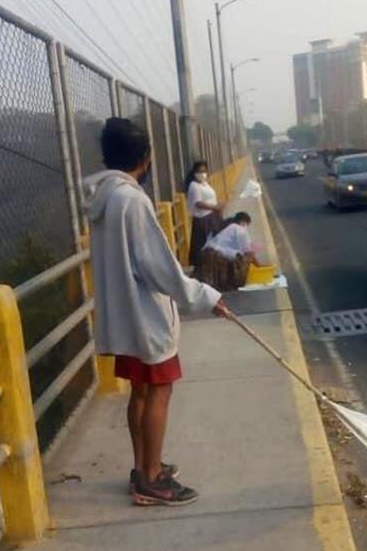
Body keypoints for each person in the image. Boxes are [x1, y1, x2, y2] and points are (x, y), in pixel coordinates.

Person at [82, 117, 229, 507]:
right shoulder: (133, 201)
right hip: (145, 317)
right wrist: (206, 297)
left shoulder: (105, 199)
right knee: (159, 390)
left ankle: (143, 465)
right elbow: (161, 268)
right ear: (145, 159)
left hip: (122, 316)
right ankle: (151, 478)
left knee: (141, 391)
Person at [198, 212, 259, 291]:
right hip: (216, 257)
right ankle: (235, 281)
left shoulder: (223, 225)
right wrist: (259, 266)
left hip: (205, 254)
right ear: (243, 222)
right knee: (245, 258)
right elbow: (248, 252)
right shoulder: (239, 229)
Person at [185, 161, 224, 271]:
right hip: (203, 219)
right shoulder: (194, 186)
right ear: (194, 172)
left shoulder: (205, 184)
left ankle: (212, 268)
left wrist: (218, 207)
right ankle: (203, 270)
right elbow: (198, 203)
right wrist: (214, 207)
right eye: (199, 171)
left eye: (204, 171)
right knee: (203, 245)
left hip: (212, 217)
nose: (202, 174)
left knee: (213, 244)